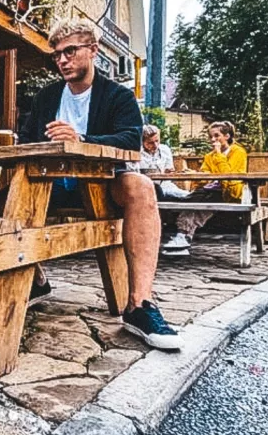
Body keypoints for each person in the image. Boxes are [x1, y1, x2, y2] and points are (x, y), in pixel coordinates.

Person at [19, 18, 182, 351]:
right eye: (57, 55)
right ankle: (33, 281)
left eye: (70, 51)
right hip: (51, 183)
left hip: (105, 185)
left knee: (142, 187)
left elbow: (130, 140)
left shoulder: (117, 96)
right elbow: (26, 138)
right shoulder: (47, 97)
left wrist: (80, 138)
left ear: (92, 51)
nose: (62, 60)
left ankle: (139, 306)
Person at [162, 121, 248, 255]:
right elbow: (205, 176)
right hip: (210, 191)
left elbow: (228, 175)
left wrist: (219, 154)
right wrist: (194, 174)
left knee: (195, 202)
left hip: (229, 192)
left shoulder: (238, 152)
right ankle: (183, 239)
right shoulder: (210, 156)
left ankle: (183, 237)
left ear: (227, 136)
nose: (213, 140)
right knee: (190, 201)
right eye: (211, 137)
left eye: (217, 136)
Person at [140, 124, 189, 200]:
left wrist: (170, 173)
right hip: (145, 187)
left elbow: (169, 173)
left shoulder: (165, 150)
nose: (155, 145)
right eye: (150, 143)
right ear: (143, 142)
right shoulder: (138, 153)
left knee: (183, 195)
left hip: (164, 185)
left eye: (157, 141)